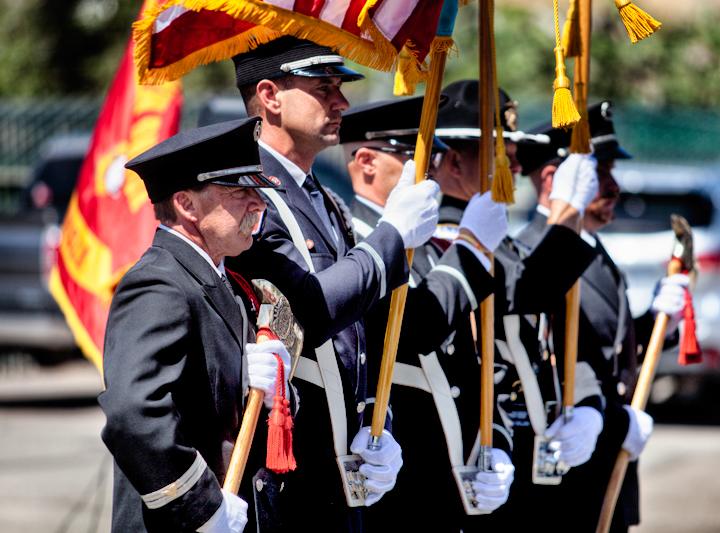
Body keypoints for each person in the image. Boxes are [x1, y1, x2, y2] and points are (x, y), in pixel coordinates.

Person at [226, 37, 440, 532]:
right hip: (290, 467)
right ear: (271, 96)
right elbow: (309, 312)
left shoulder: (318, 195)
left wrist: (376, 424)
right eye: (324, 87)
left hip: (338, 459)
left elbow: (359, 333)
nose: (341, 101)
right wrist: (391, 236)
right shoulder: (250, 195)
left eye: (339, 87)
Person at [99, 117, 291, 532]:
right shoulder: (159, 282)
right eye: (240, 191)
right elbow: (134, 412)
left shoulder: (228, 281)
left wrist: (278, 390)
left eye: (257, 191)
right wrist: (198, 504)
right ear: (186, 205)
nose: (258, 205)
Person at [430, 79, 601, 529]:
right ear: (453, 161)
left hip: (519, 446)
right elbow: (524, 293)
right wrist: (566, 214)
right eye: (498, 159)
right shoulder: (444, 238)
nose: (509, 171)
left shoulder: (492, 238)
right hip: (465, 453)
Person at [340, 96, 513, 532]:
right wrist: (472, 248)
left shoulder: (420, 243)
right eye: (418, 157)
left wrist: (498, 443)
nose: (433, 171)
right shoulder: (357, 243)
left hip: (451, 481)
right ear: (366, 164)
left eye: (434, 157)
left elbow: (472, 365)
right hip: (401, 487)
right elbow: (415, 329)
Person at [515, 101, 688, 531]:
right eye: (598, 174)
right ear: (555, 179)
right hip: (565, 474)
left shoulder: (593, 248)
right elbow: (549, 361)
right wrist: (613, 424)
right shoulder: (536, 255)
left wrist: (657, 325)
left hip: (607, 466)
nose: (613, 188)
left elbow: (605, 342)